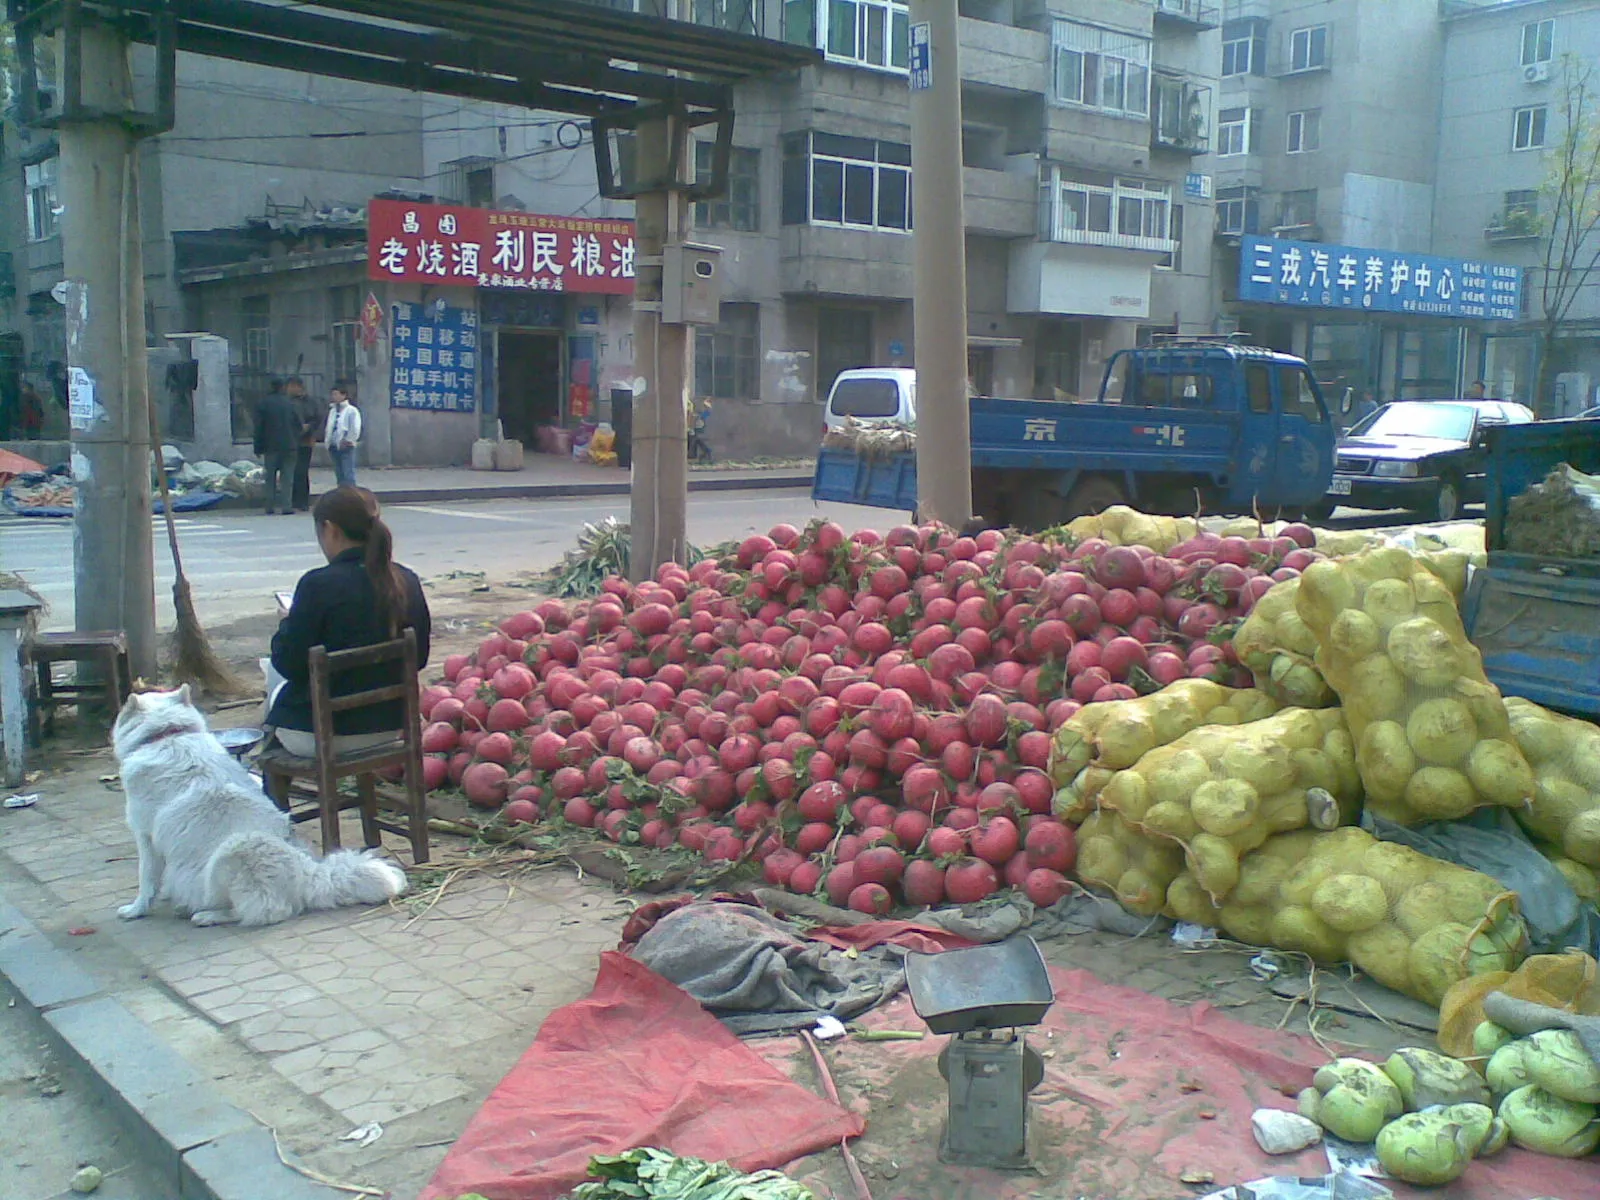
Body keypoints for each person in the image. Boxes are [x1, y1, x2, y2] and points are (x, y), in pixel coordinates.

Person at [264, 487, 430, 759]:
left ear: (330, 529)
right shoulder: (406, 580)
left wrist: (287, 624)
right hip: (389, 728)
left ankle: (275, 800)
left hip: (323, 734)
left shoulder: (317, 584)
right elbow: (419, 659)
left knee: (273, 687)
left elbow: (287, 663)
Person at [252, 378, 300, 515]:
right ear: (282, 388)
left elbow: (258, 428)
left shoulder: (263, 404)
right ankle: (287, 506)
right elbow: (298, 425)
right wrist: (295, 440)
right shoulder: (290, 403)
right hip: (290, 446)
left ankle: (269, 506)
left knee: (270, 477)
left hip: (270, 446)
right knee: (287, 477)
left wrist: (257, 447)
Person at [285, 376, 321, 513]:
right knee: (291, 471)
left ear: (299, 387)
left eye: (292, 386)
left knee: (302, 471)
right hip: (290, 440)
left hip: (305, 441)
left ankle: (303, 501)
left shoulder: (310, 402)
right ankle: (293, 499)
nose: (290, 389)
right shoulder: (287, 401)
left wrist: (309, 427)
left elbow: (317, 418)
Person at [324, 380, 362, 488]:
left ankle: (351, 494)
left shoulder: (351, 411)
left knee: (347, 473)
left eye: (336, 394)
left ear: (344, 395)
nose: (334, 397)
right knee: (339, 473)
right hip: (333, 445)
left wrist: (348, 440)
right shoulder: (333, 410)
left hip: (346, 446)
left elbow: (355, 428)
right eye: (333, 394)